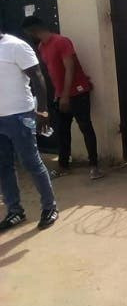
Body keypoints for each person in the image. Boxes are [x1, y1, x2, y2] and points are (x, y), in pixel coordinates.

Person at [21, 17, 104, 180]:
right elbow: (53, 73)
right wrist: (58, 95)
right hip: (61, 95)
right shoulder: (41, 47)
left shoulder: (61, 42)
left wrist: (66, 95)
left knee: (85, 127)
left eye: (28, 33)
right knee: (62, 130)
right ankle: (63, 165)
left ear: (33, 30)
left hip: (78, 93)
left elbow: (70, 68)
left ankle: (94, 166)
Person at [0, 32, 58, 231]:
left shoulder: (16, 46)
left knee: (31, 162)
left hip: (19, 117)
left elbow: (38, 76)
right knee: (3, 166)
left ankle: (49, 207)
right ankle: (15, 211)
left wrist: (42, 110)